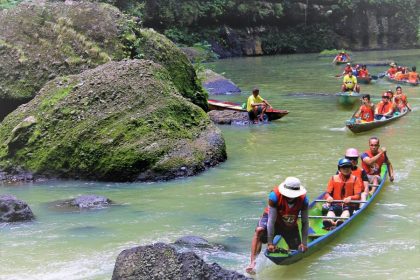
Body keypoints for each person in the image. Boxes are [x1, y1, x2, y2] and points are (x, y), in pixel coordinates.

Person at [245, 177, 309, 274]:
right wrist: (270, 243)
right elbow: (271, 220)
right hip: (273, 220)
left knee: (296, 251)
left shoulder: (303, 200)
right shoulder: (274, 196)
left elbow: (305, 222)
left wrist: (304, 243)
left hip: (290, 223)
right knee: (259, 230)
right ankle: (252, 263)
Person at [323, 158, 362, 229]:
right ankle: (329, 221)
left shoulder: (356, 179)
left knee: (346, 212)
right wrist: (328, 197)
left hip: (349, 205)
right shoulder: (333, 178)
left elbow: (358, 196)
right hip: (335, 204)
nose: (346, 169)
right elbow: (327, 193)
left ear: (351, 168)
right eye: (343, 167)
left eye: (348, 167)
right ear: (339, 169)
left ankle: (340, 221)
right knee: (331, 212)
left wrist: (350, 198)